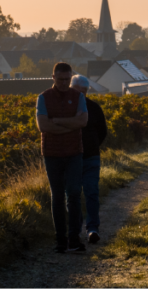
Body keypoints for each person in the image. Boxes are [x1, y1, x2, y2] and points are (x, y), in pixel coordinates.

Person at [36, 62, 89, 253]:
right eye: (60, 79)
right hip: (52, 153)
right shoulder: (43, 98)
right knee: (57, 196)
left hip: (74, 152)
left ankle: (73, 239)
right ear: (53, 78)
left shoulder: (78, 97)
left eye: (67, 79)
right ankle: (61, 240)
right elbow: (43, 126)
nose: (64, 83)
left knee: (74, 193)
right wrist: (70, 125)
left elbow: (83, 121)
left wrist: (56, 121)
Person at [69, 74, 108, 244]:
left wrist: (91, 146)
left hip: (91, 157)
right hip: (71, 158)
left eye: (83, 91)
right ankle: (75, 230)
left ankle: (92, 229)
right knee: (73, 194)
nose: (80, 94)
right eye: (77, 91)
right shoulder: (65, 108)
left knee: (92, 192)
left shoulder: (94, 108)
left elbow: (102, 132)